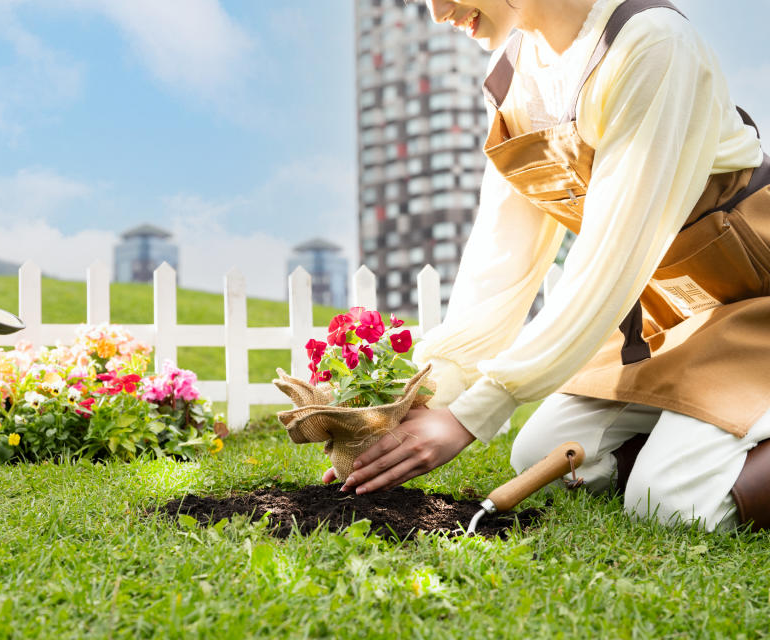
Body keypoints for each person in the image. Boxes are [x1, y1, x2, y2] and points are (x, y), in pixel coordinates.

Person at [329, 0, 770, 532]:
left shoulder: (651, 43)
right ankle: (704, 437)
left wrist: (474, 415)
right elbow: (500, 264)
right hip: (668, 318)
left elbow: (612, 255)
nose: (438, 12)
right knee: (541, 455)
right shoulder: (516, 77)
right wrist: (426, 396)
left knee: (672, 505)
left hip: (750, 300)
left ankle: (697, 454)